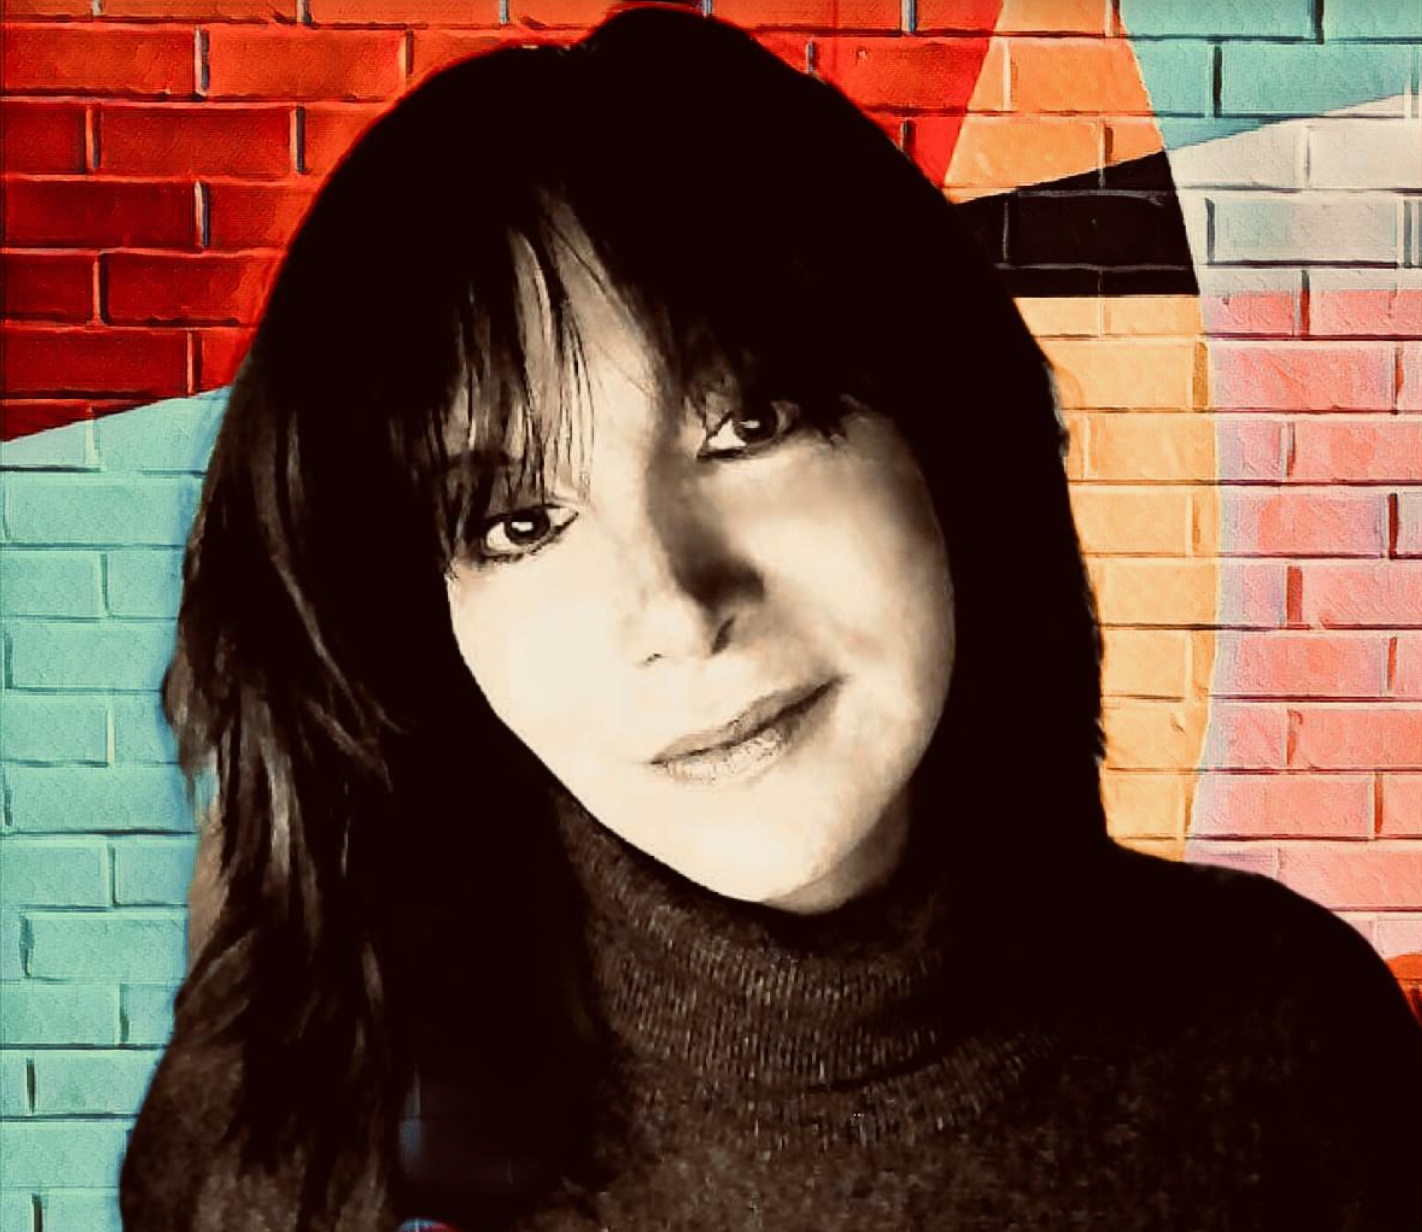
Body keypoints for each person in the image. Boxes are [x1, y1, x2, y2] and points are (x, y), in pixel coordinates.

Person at [118, 6, 1422, 1231]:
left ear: (943, 437)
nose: (676, 610)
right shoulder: (295, 1131)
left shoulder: (1285, 1047)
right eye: (517, 522)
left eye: (750, 424)